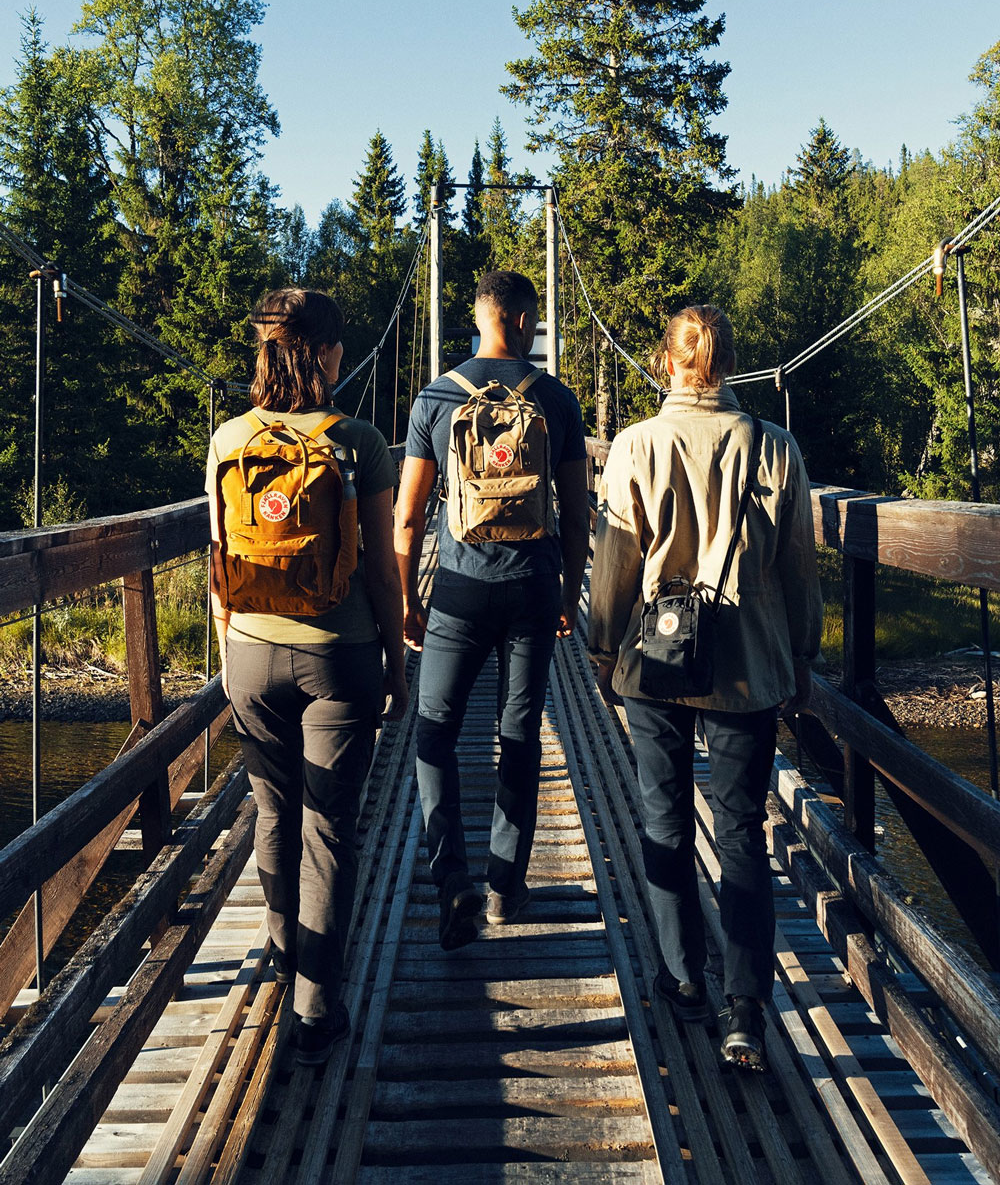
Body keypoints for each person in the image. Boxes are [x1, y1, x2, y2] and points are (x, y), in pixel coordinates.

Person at [588, 304, 822, 1072]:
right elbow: (798, 572)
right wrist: (802, 658)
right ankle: (746, 1007)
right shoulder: (775, 447)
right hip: (750, 665)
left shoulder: (635, 445)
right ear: (728, 361)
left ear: (667, 362)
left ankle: (684, 978)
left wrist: (601, 648)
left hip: (656, 662)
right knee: (743, 830)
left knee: (664, 820)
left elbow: (616, 566)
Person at [206, 288, 407, 1066]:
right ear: (326, 353)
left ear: (263, 352)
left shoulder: (228, 437)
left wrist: (229, 652)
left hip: (251, 651)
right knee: (329, 828)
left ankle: (291, 959)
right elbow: (387, 573)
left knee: (272, 814)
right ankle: (318, 1009)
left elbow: (220, 552)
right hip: (339, 653)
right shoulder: (358, 437)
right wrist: (394, 658)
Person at [395, 271, 590, 950]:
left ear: (478, 320)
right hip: (534, 587)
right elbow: (578, 513)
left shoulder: (437, 397)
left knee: (433, 733)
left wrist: (404, 600)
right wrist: (569, 592)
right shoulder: (557, 399)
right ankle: (506, 886)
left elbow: (407, 516)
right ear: (528, 322)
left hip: (458, 590)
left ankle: (453, 882)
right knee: (519, 733)